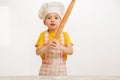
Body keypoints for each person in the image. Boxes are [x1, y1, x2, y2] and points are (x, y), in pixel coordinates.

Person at [35, 1, 73, 76]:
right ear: (44, 22)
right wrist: (48, 46)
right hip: (45, 69)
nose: (52, 20)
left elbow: (70, 51)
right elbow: (38, 52)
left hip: (60, 69)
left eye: (56, 18)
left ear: (60, 21)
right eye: (49, 18)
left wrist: (59, 47)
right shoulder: (43, 35)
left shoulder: (65, 35)